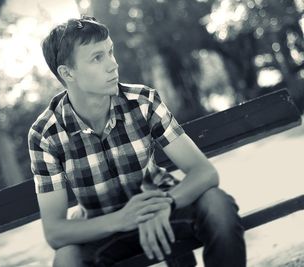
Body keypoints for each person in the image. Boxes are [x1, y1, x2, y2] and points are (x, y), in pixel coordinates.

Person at [28, 16, 246, 267]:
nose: (113, 65)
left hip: (163, 209)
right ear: (67, 73)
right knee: (67, 259)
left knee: (217, 205)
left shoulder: (143, 101)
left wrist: (165, 204)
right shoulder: (46, 134)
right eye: (97, 58)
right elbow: (55, 232)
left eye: (110, 52)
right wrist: (122, 219)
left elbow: (204, 172)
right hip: (103, 229)